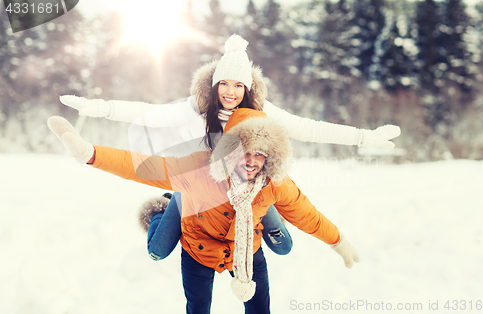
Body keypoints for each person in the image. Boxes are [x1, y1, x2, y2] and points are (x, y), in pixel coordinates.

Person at [59, 34, 400, 261]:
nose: (231, 92)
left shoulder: (262, 113)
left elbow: (310, 129)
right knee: (159, 251)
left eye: (239, 85)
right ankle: (165, 208)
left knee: (284, 247)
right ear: (216, 83)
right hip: (197, 183)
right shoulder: (198, 107)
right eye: (225, 83)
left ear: (248, 87)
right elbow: (151, 115)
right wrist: (100, 107)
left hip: (250, 188)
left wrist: (363, 137)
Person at [47, 108, 360, 314]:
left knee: (260, 306)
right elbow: (142, 166)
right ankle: (164, 211)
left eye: (261, 155)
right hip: (198, 249)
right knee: (197, 307)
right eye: (245, 152)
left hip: (246, 250)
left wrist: (338, 241)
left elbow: (308, 215)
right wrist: (90, 154)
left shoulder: (275, 184)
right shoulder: (199, 169)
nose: (252, 161)